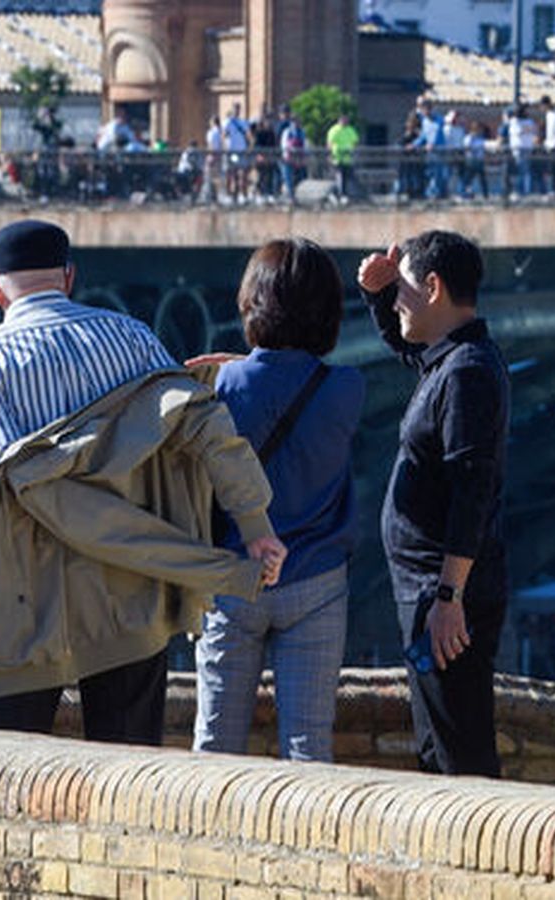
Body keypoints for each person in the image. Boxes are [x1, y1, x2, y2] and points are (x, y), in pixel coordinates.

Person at [0, 220, 285, 743]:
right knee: (129, 766)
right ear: (69, 276)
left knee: (8, 767)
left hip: (33, 604)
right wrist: (254, 524)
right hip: (132, 596)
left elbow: (27, 477)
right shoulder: (133, 335)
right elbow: (207, 427)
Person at [193, 239, 365, 762]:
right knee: (309, 747)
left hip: (233, 579)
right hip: (316, 582)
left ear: (252, 303)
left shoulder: (225, 383)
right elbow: (292, 382)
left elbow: (255, 386)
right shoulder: (348, 387)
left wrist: (242, 364)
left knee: (215, 747)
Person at [356, 231, 510, 776]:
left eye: (402, 289)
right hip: (429, 592)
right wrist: (377, 296)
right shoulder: (448, 363)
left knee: (459, 757)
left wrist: (450, 596)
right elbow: (406, 344)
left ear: (434, 286)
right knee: (435, 751)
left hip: (445, 598)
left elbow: (474, 487)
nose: (396, 301)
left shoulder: (467, 373)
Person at [326, 112, 359, 204]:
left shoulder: (350, 129)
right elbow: (329, 143)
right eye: (343, 120)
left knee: (347, 178)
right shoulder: (334, 130)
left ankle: (335, 194)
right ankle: (341, 195)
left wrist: (352, 151)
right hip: (337, 158)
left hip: (347, 159)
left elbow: (355, 141)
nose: (345, 121)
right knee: (340, 177)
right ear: (339, 120)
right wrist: (330, 155)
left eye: (346, 120)